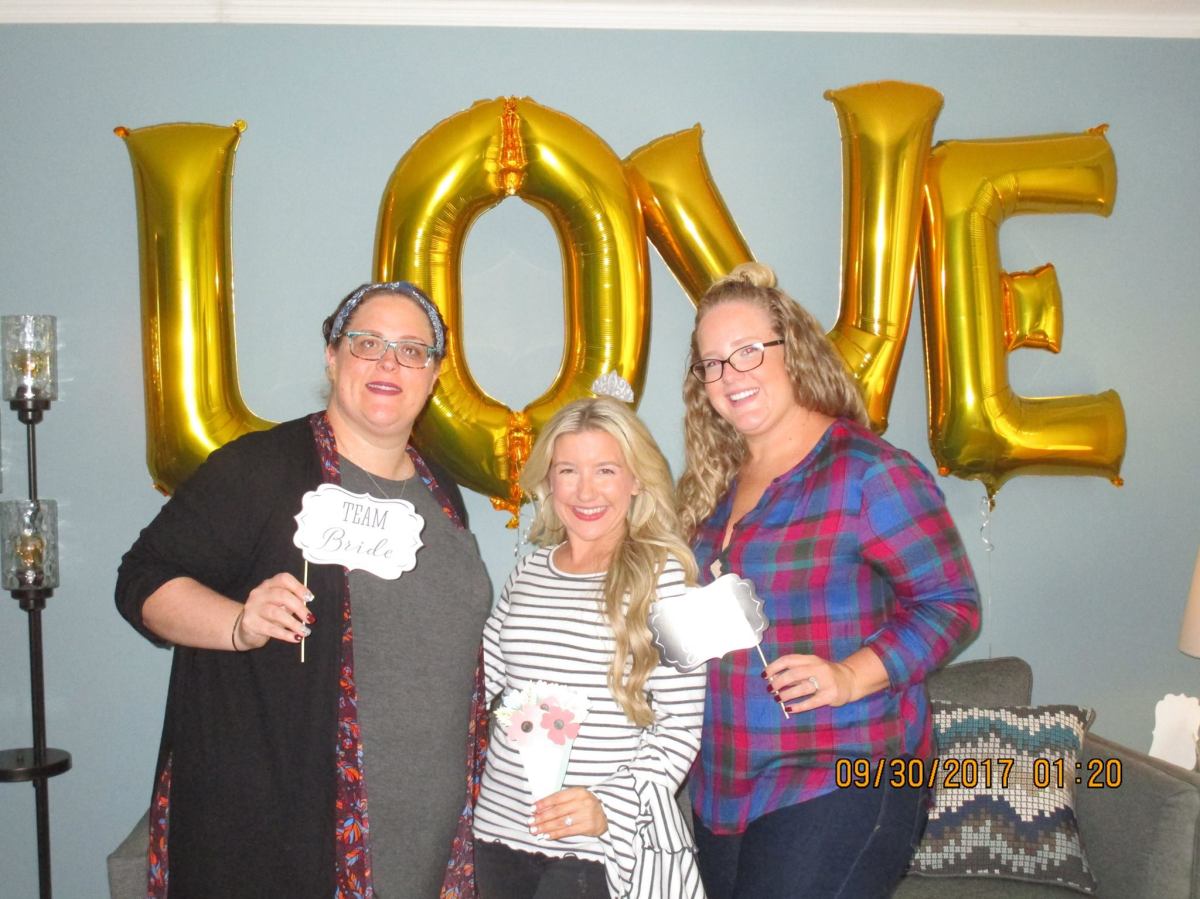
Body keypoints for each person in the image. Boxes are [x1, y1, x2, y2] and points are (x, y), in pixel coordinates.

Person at [115, 281, 493, 899]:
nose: (388, 363)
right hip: (287, 834)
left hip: (427, 834)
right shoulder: (260, 470)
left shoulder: (441, 492)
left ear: (433, 376)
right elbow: (143, 579)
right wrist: (237, 623)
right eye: (367, 343)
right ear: (332, 356)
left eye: (411, 350)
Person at [676, 263, 980, 898]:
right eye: (713, 363)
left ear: (794, 350)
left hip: (844, 770)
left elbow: (952, 604)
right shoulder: (713, 490)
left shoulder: (869, 472)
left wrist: (849, 675)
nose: (731, 375)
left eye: (749, 351)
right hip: (725, 784)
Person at [471, 396, 708, 899]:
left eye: (605, 470)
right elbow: (478, 683)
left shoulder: (672, 579)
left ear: (636, 479)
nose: (585, 491)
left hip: (600, 847)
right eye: (568, 471)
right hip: (498, 831)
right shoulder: (528, 571)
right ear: (548, 480)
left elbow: (680, 726)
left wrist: (610, 806)